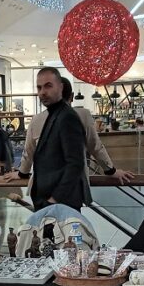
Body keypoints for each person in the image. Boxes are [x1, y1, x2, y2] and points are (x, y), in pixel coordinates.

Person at [15, 78, 131, 185]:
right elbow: (95, 146)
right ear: (71, 96)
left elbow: (29, 152)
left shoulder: (36, 120)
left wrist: (22, 173)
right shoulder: (83, 115)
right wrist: (111, 171)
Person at [14, 67, 88, 211]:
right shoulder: (55, 114)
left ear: (61, 87)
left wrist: (55, 199)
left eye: (48, 86)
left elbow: (75, 163)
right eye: (39, 87)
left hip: (59, 204)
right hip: (50, 201)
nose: (42, 92)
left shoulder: (67, 116)